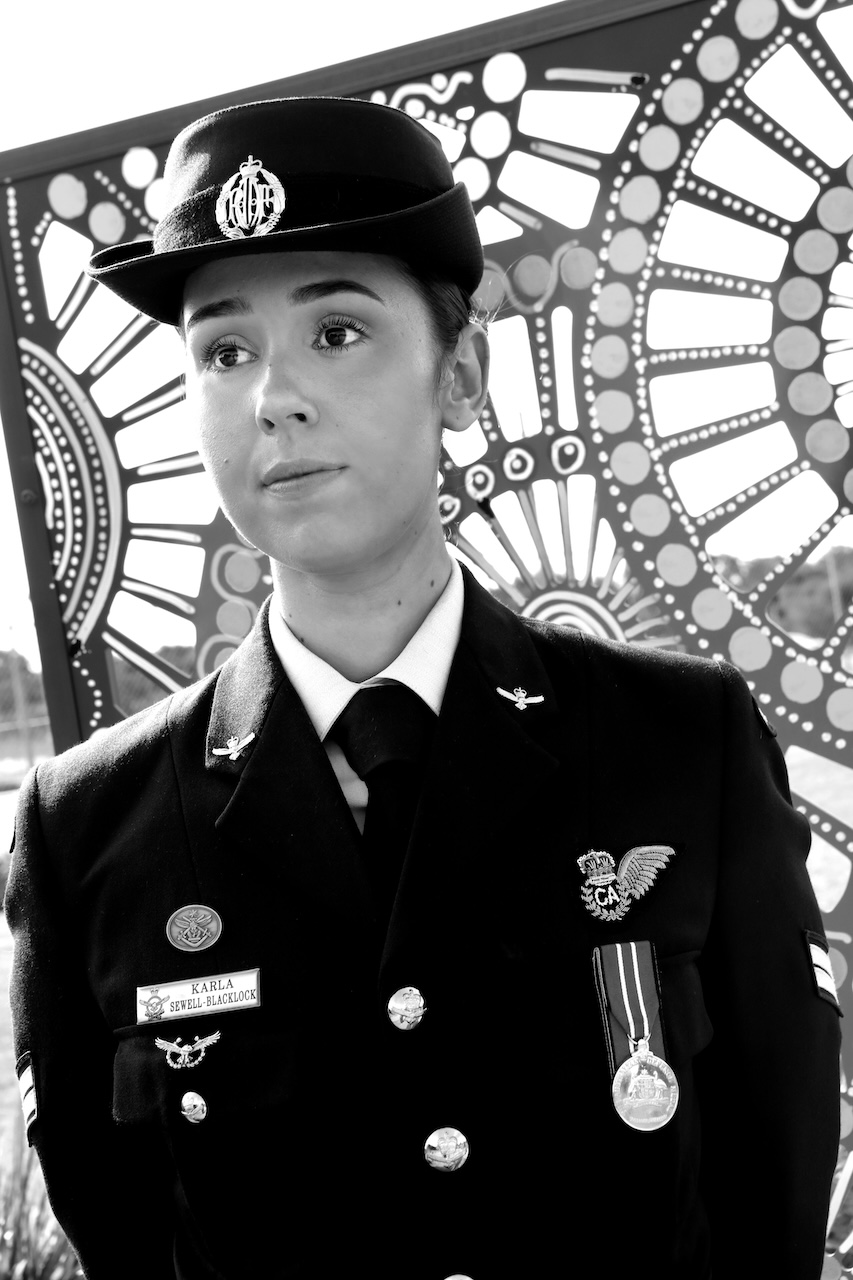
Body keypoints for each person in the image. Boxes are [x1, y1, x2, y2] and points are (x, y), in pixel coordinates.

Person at [5, 95, 841, 1280]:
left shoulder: (676, 742)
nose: (273, 396)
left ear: (461, 378)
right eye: (224, 351)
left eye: (337, 330)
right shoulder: (90, 826)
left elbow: (774, 1183)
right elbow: (121, 1223)